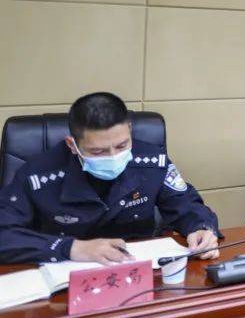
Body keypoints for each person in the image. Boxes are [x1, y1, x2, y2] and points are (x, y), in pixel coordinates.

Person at [0, 92, 220, 264]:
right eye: (98, 151)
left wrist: (201, 228)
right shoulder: (37, 175)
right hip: (66, 274)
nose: (113, 156)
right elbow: (4, 233)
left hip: (140, 269)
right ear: (72, 145)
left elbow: (185, 203)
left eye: (122, 145)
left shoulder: (152, 161)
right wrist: (71, 248)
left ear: (129, 130)